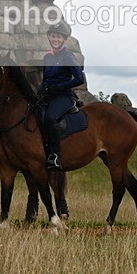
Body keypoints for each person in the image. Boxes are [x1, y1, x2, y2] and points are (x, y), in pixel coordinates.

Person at [38, 21, 85, 170]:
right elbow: (45, 79)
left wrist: (59, 87)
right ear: (49, 37)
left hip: (63, 96)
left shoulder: (68, 56)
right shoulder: (47, 57)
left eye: (59, 37)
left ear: (64, 39)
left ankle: (56, 156)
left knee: (50, 117)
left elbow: (79, 79)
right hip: (49, 95)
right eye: (53, 36)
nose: (55, 40)